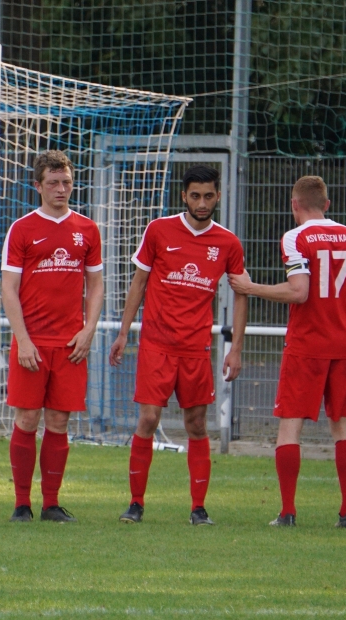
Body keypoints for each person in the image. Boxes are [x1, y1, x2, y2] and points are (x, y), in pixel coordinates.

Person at [229, 175, 346, 528]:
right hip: (344, 345)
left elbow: (299, 292)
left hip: (306, 346)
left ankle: (288, 512)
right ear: (327, 204)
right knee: (343, 427)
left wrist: (251, 287)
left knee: (290, 427)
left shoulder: (296, 237)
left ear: (294, 205)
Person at [109, 165, 248, 526]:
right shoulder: (159, 230)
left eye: (209, 196)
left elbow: (242, 293)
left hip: (196, 348)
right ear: (184, 196)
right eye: (195, 196)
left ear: (218, 196)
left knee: (197, 425)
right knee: (148, 419)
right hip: (156, 344)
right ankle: (135, 503)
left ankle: (198, 508)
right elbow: (139, 283)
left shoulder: (228, 243)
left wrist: (235, 348)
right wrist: (123, 333)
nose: (202, 203)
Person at [0, 150, 103, 523]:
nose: (61, 189)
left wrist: (88, 329)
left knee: (59, 422)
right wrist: (23, 339)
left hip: (70, 344)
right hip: (32, 342)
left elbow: (96, 284)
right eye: (53, 183)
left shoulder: (87, 229)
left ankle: (52, 504)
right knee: (27, 419)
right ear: (38, 186)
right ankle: (21, 504)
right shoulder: (22, 229)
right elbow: (8, 288)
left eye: (66, 182)